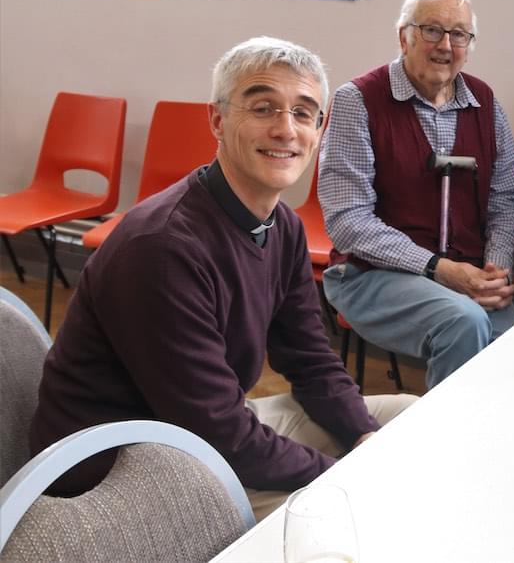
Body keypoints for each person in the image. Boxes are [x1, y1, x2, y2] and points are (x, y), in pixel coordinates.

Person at [30, 37, 414, 520]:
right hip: (119, 473)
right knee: (349, 513)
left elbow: (310, 359)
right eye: (263, 107)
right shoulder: (162, 249)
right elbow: (218, 432)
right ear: (217, 120)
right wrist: (340, 476)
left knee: (406, 418)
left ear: (319, 129)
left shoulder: (283, 226)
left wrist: (361, 434)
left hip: (197, 432)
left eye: (303, 113)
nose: (285, 130)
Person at [319, 0, 514, 388]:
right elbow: (348, 221)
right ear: (404, 37)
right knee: (463, 322)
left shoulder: (484, 101)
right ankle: (444, 432)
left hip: (466, 275)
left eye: (459, 34)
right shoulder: (357, 101)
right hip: (371, 274)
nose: (445, 45)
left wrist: (495, 270)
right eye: (432, 30)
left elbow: (506, 198)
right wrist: (438, 269)